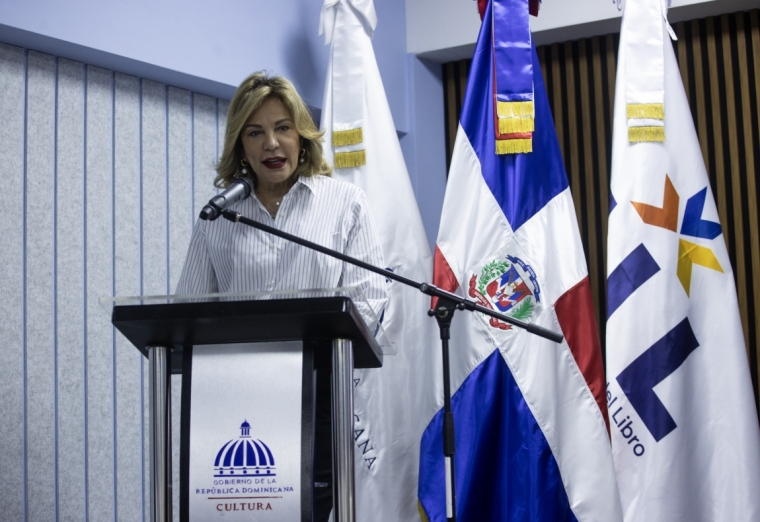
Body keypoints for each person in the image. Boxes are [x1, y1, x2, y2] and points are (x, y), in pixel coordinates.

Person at [175, 72, 388, 521]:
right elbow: (187, 311)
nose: (271, 143)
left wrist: (309, 340)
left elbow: (369, 301)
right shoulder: (219, 215)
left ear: (302, 137)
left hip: (319, 392)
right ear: (241, 146)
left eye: (282, 128)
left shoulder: (345, 202)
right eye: (255, 132)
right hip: (233, 396)